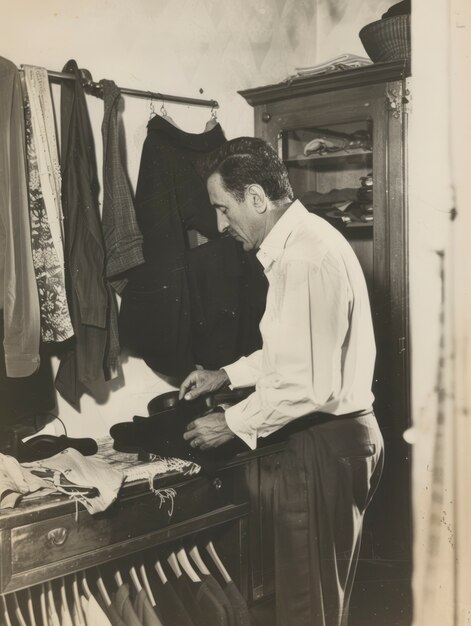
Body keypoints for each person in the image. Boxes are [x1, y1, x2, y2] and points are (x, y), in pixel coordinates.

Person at [179, 137, 384, 626]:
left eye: (223, 209)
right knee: (319, 603)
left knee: (304, 609)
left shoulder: (302, 258)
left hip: (322, 444)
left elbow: (303, 383)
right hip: (340, 441)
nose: (220, 225)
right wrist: (226, 374)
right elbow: (293, 351)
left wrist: (230, 423)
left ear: (255, 198)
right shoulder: (307, 241)